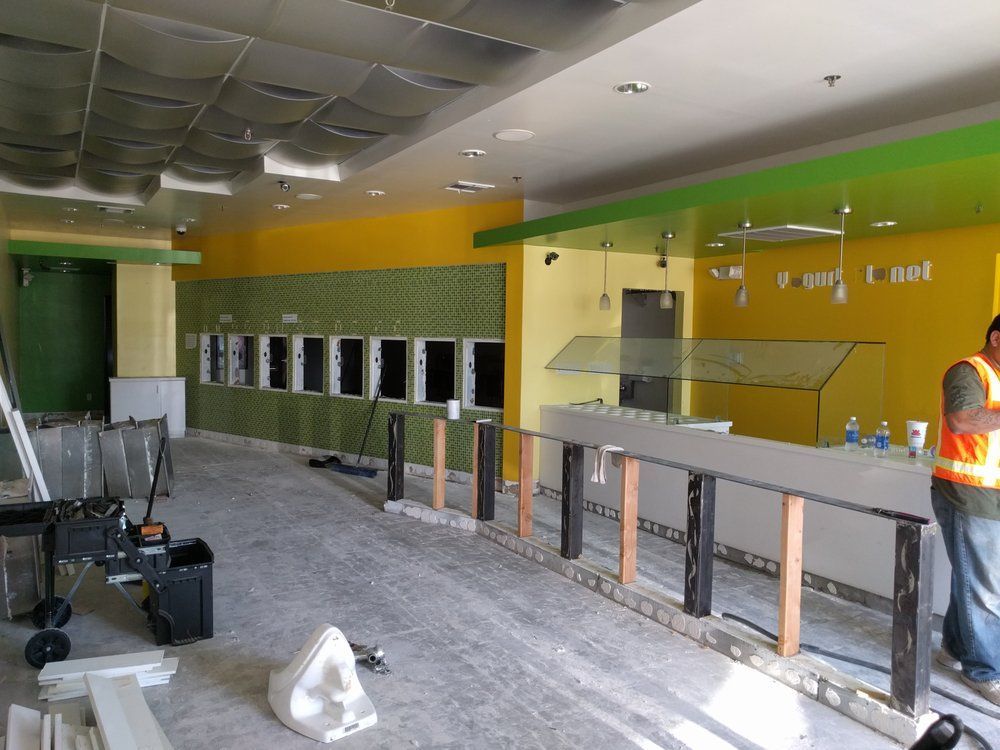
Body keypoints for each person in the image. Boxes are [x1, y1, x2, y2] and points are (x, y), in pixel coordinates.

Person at [931, 314, 1000, 706]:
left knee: (974, 579)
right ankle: (985, 671)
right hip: (966, 494)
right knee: (987, 587)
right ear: (995, 338)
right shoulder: (968, 371)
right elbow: (960, 421)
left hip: (989, 495)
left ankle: (954, 650)